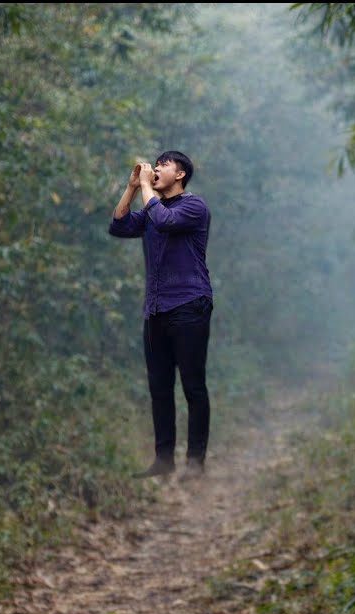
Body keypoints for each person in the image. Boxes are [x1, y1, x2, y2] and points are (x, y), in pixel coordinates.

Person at [109, 151, 213, 480]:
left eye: (163, 165)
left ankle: (195, 463)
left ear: (180, 175)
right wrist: (131, 187)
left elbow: (166, 222)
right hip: (155, 310)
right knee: (159, 386)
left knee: (193, 386)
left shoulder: (193, 207)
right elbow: (119, 225)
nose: (155, 169)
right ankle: (164, 459)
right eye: (155, 165)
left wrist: (145, 187)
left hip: (189, 305)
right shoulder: (152, 210)